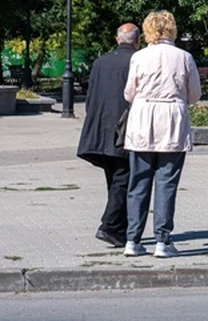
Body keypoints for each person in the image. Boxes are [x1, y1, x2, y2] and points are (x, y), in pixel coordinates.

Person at [122, 10, 201, 258]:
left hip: (143, 118)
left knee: (138, 182)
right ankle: (162, 241)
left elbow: (129, 93)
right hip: (172, 120)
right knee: (167, 182)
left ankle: (133, 240)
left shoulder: (139, 57)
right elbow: (194, 95)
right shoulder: (184, 57)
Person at [76, 23, 140, 248]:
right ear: (137, 41)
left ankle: (119, 229)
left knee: (114, 179)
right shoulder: (138, 60)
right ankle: (110, 226)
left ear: (117, 39)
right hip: (125, 128)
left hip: (100, 129)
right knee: (123, 178)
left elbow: (91, 95)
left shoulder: (100, 62)